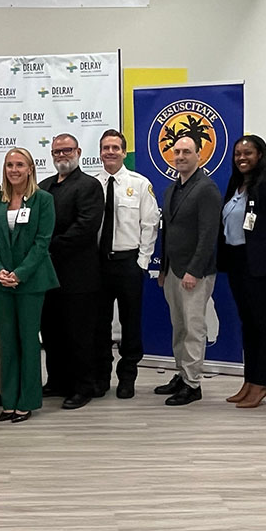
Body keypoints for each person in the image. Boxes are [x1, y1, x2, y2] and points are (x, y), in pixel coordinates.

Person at [0, 148, 59, 423]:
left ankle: (26, 401)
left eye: (19, 165)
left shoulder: (43, 200)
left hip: (31, 282)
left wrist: (20, 273)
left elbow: (43, 241)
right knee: (7, 342)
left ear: (30, 169)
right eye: (9, 165)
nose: (13, 170)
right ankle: (9, 401)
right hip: (1, 281)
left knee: (28, 341)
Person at [218, 135, 266, 409]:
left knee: (265, 328)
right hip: (239, 264)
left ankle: (262, 384)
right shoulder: (236, 185)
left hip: (264, 269)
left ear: (260, 155)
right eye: (238, 153)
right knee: (248, 326)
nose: (242, 158)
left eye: (248, 153)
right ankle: (249, 381)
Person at [92, 129, 159, 400]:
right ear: (100, 152)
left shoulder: (140, 184)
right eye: (105, 147)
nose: (110, 152)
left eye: (115, 148)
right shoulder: (91, 184)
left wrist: (141, 262)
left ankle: (127, 376)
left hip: (128, 262)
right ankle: (100, 376)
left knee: (131, 323)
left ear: (124, 151)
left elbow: (150, 224)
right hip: (97, 264)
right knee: (99, 324)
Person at [38, 133, 103, 410]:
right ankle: (57, 381)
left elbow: (85, 227)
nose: (61, 156)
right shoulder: (44, 186)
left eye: (66, 150)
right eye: (56, 152)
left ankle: (82, 387)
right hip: (47, 275)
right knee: (51, 332)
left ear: (77, 151)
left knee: (79, 335)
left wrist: (46, 246)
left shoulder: (89, 186)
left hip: (79, 275)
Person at [156, 136, 221, 406]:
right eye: (177, 151)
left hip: (195, 272)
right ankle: (182, 374)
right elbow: (168, 232)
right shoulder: (172, 189)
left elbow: (208, 235)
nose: (180, 156)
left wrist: (194, 270)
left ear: (199, 156)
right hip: (173, 269)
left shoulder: (207, 189)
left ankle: (193, 384)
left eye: (187, 152)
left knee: (193, 328)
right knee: (179, 327)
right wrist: (163, 268)